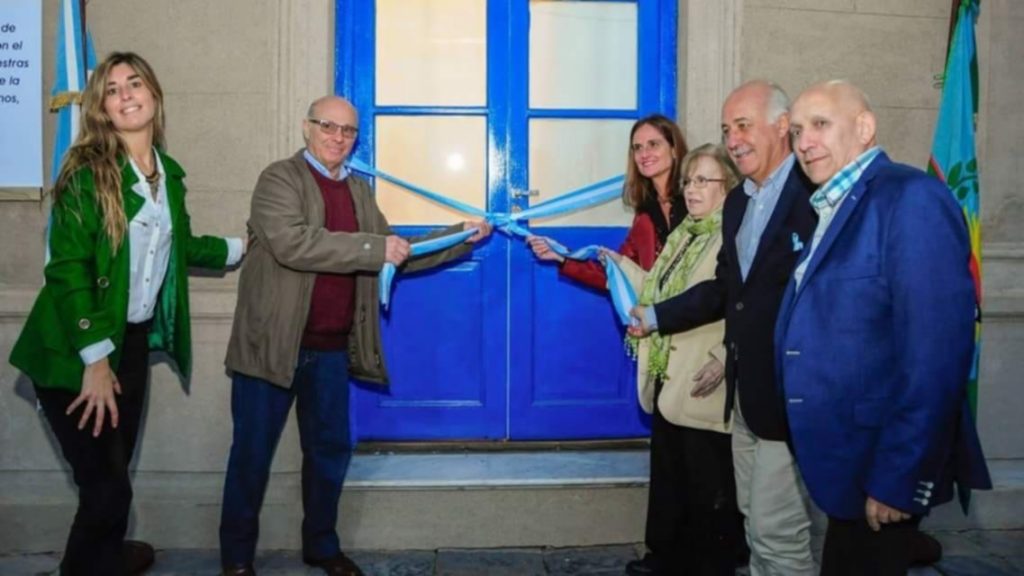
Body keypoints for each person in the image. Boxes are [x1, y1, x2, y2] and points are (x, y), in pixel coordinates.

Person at [219, 95, 492, 576]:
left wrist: (457, 238)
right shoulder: (278, 179)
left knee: (329, 454)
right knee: (251, 456)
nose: (338, 137)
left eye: (347, 131)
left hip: (329, 352)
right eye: (328, 126)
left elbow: (393, 253)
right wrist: (375, 247)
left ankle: (321, 547)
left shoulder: (359, 192)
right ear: (306, 127)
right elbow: (294, 243)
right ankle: (237, 558)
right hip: (270, 349)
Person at [9, 52, 245, 576]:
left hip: (131, 345)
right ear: (102, 107)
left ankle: (107, 560)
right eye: (112, 90)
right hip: (74, 349)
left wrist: (242, 247)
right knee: (106, 489)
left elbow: (181, 243)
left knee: (114, 477)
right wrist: (95, 360)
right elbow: (67, 271)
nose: (125, 95)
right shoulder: (87, 174)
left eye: (134, 83)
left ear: (154, 94)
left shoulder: (167, 176)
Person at [777, 80, 991, 575]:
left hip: (880, 465)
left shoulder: (910, 198)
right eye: (796, 131)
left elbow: (936, 356)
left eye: (820, 124)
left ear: (865, 128)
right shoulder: (832, 205)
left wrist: (900, 476)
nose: (805, 142)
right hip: (846, 463)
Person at [630, 80, 822, 576]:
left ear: (783, 126)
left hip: (787, 391)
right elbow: (728, 291)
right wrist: (656, 315)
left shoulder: (813, 196)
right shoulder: (742, 204)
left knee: (777, 531)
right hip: (744, 397)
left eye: (743, 125)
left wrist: (718, 352)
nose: (733, 139)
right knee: (755, 524)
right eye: (725, 129)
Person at [610, 144, 741, 575]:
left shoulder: (734, 237)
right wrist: (619, 266)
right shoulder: (685, 234)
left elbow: (731, 301)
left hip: (703, 374)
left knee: (706, 487)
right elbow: (660, 290)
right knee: (670, 477)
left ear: (728, 187)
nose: (691, 189)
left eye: (703, 180)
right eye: (688, 181)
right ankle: (665, 558)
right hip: (669, 373)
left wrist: (724, 356)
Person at [527, 114, 688, 289]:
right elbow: (616, 274)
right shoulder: (644, 215)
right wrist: (561, 257)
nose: (644, 154)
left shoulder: (697, 200)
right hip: (660, 306)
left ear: (674, 149)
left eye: (653, 144)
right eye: (637, 147)